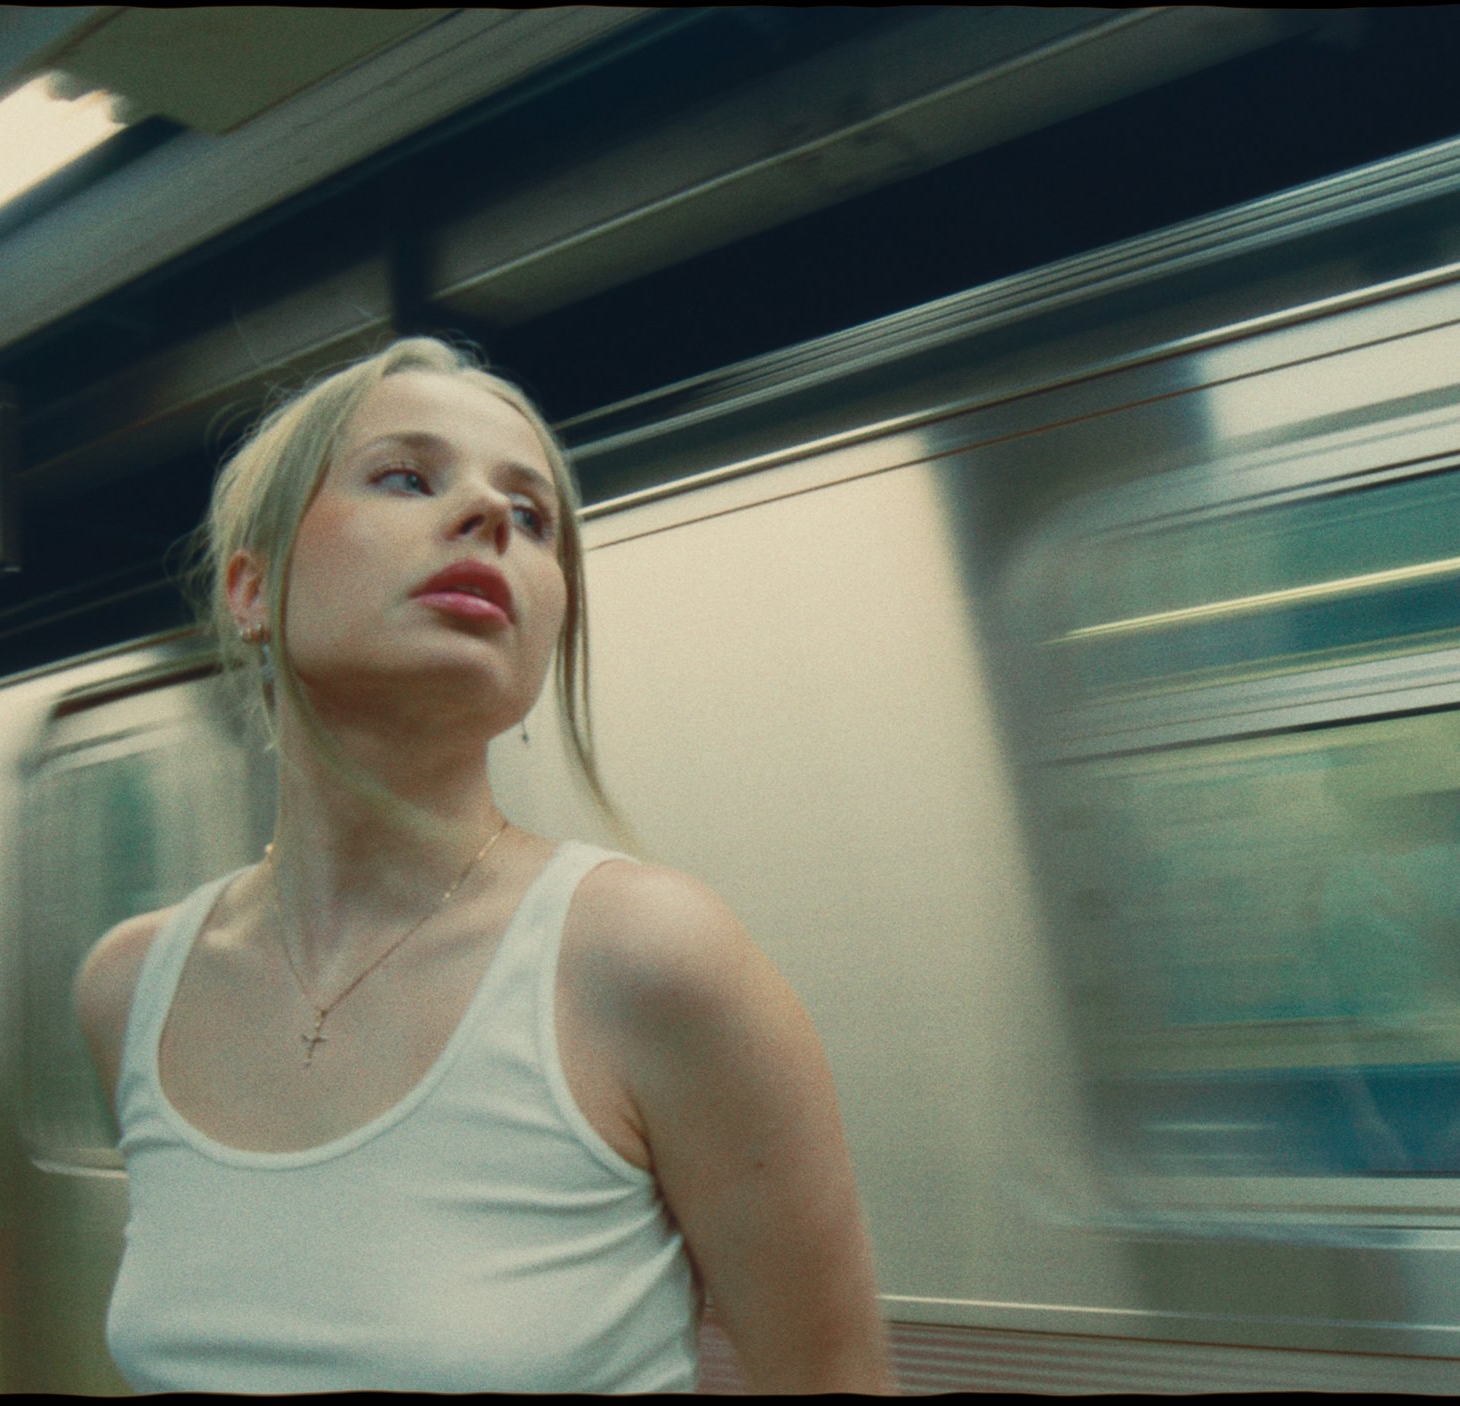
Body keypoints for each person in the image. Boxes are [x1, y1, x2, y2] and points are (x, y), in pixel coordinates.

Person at [73, 337, 892, 1393]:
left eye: (533, 515)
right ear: (251, 587)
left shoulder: (648, 959)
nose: (488, 515)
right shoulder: (132, 988)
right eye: (406, 477)